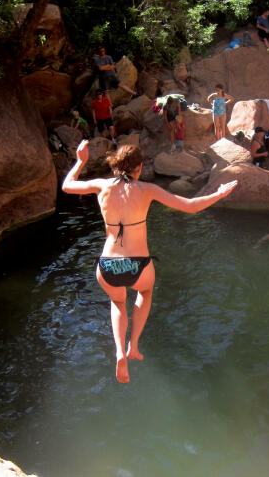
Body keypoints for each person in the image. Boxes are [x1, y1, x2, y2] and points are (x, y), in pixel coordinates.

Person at [62, 141, 238, 383]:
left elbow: (67, 186)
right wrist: (220, 193)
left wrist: (80, 160)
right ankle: (133, 345)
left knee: (117, 303)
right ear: (140, 167)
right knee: (144, 292)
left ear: (115, 167)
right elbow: (190, 206)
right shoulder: (147, 190)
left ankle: (118, 351)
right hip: (138, 265)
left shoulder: (101, 186)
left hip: (107, 266)